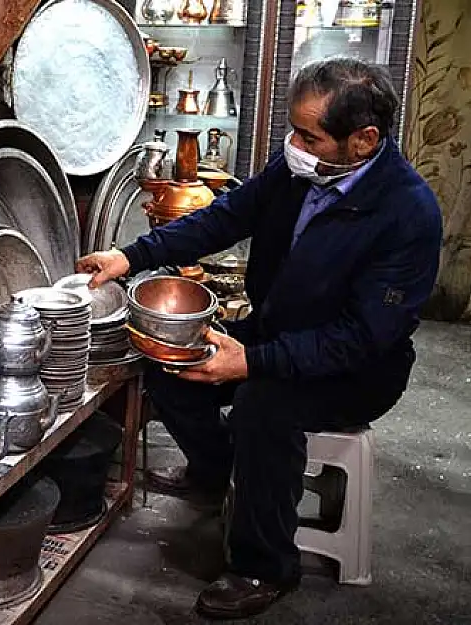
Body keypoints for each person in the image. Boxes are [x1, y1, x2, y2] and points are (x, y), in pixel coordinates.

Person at [77, 58, 442, 619]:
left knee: (262, 406)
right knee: (167, 360)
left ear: (364, 140)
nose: (293, 144)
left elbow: (362, 338)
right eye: (292, 131)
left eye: (308, 135)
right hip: (281, 330)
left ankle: (264, 565)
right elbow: (224, 217)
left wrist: (252, 362)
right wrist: (131, 256)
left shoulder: (407, 213)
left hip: (358, 368)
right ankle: (218, 472)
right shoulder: (302, 170)